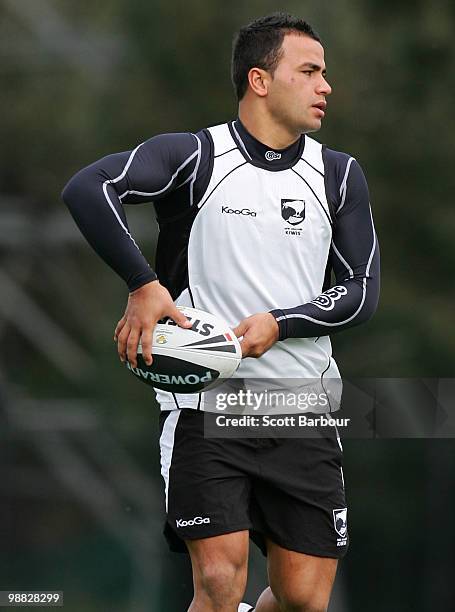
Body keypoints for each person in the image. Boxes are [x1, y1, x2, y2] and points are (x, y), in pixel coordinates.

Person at [62, 12, 379, 612]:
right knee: (219, 578)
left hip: (301, 408)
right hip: (207, 407)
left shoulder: (338, 176)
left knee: (304, 599)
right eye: (309, 71)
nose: (325, 87)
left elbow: (361, 291)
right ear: (260, 80)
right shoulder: (194, 157)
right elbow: (88, 188)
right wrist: (143, 284)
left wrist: (282, 324)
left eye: (325, 74)